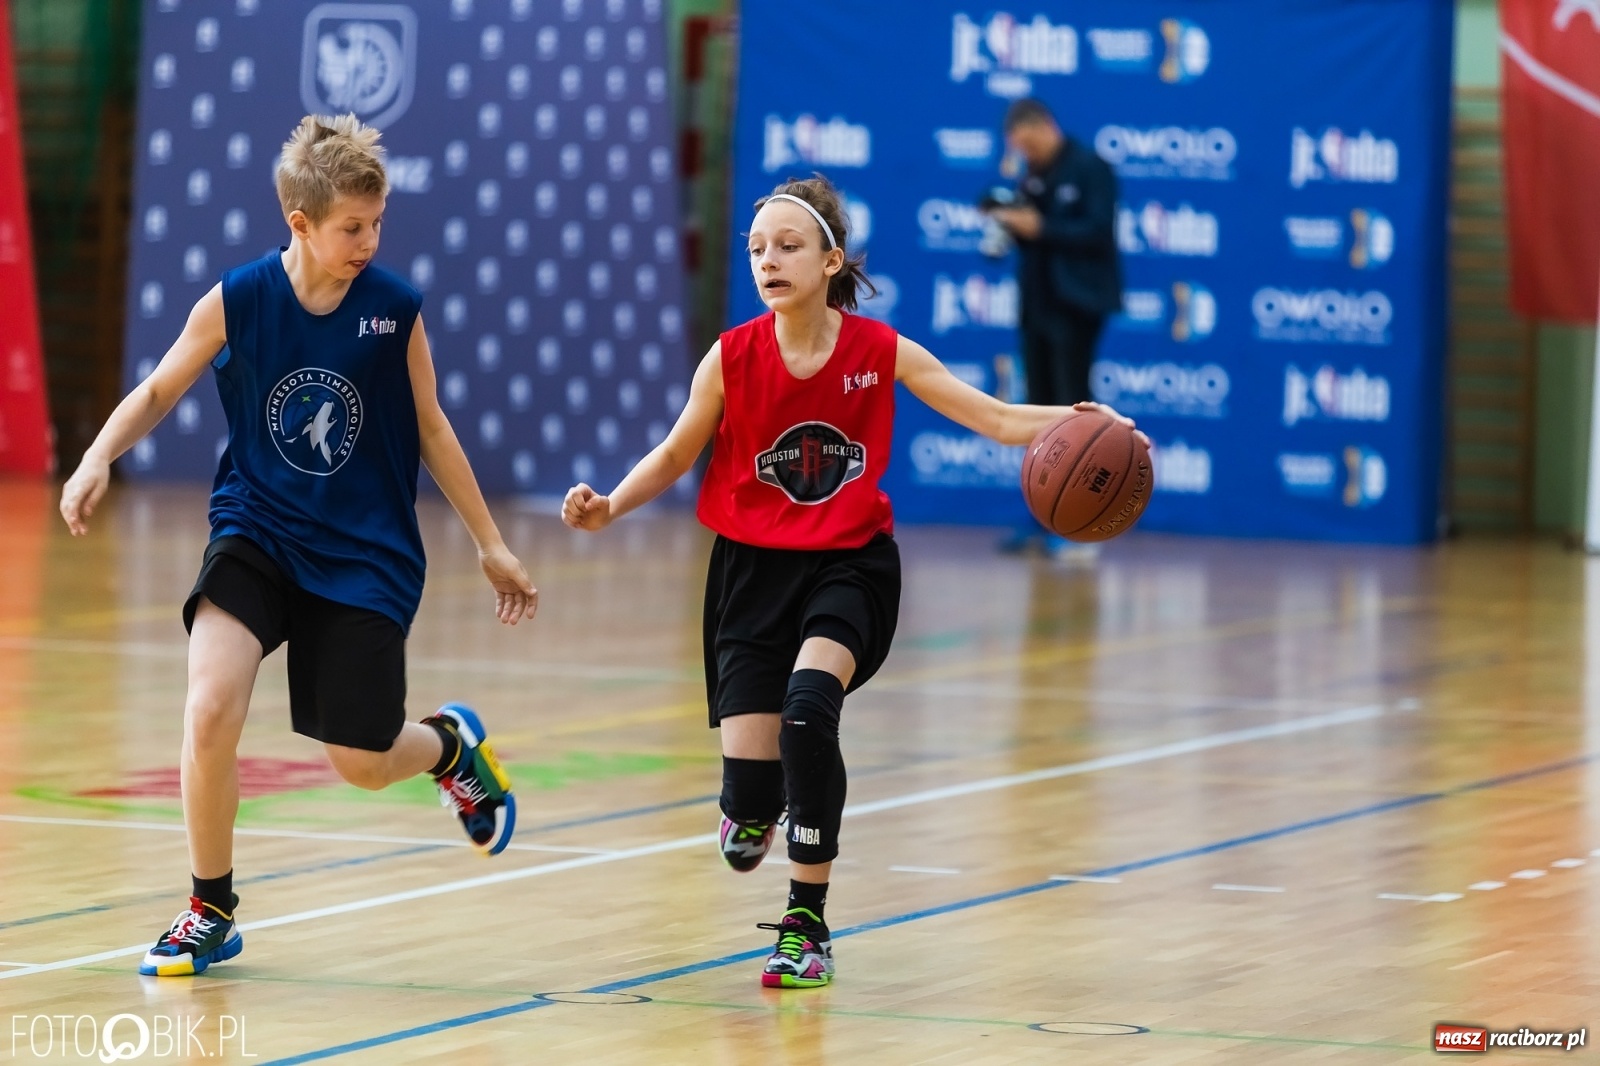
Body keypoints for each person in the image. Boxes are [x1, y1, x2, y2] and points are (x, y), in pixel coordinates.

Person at [562, 176, 1143, 988]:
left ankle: (806, 925)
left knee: (808, 713)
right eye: (758, 248)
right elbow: (673, 455)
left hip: (849, 566)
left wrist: (1087, 423)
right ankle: (749, 805)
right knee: (754, 785)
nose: (769, 260)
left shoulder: (880, 350)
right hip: (750, 572)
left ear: (831, 260)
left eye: (789, 246)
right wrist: (611, 505)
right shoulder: (730, 358)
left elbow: (999, 419)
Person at [58, 114, 537, 977]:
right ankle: (210, 907)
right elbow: (162, 385)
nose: (369, 242)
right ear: (300, 222)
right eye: (352, 227)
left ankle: (451, 750)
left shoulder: (393, 313)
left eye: (377, 222)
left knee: (361, 763)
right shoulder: (239, 300)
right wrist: (97, 457)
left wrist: (490, 543)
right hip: (257, 532)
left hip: (363, 555)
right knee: (208, 710)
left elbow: (431, 429)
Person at [986, 97, 1123, 557]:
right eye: (1019, 149)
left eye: (1030, 144)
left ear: (1045, 127)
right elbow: (1030, 236)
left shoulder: (1090, 167)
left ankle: (1087, 525)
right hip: (1037, 306)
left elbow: (1098, 232)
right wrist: (1010, 225)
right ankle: (1043, 517)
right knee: (1038, 413)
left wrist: (1040, 226)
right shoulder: (1032, 174)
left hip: (1077, 304)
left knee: (1075, 408)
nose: (1028, 154)